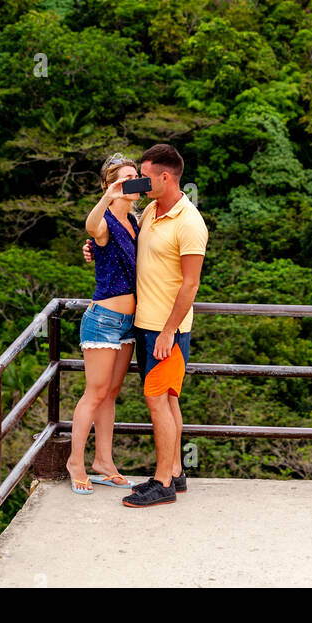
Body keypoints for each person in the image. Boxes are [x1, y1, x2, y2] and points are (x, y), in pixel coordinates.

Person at [87, 143, 208, 507]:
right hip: (145, 323)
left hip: (165, 329)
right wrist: (93, 248)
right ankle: (175, 473)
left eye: (145, 176)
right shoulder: (153, 210)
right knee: (167, 399)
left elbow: (191, 284)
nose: (140, 182)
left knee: (158, 401)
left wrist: (169, 330)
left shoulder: (190, 222)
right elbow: (119, 240)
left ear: (166, 177)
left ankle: (163, 483)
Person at [66, 152, 141, 495]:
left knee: (111, 394)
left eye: (135, 176)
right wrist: (107, 196)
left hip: (129, 322)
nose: (131, 183)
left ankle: (104, 462)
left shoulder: (135, 222)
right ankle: (75, 462)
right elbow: (91, 228)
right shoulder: (106, 219)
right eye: (123, 179)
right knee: (94, 394)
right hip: (104, 320)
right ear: (110, 184)